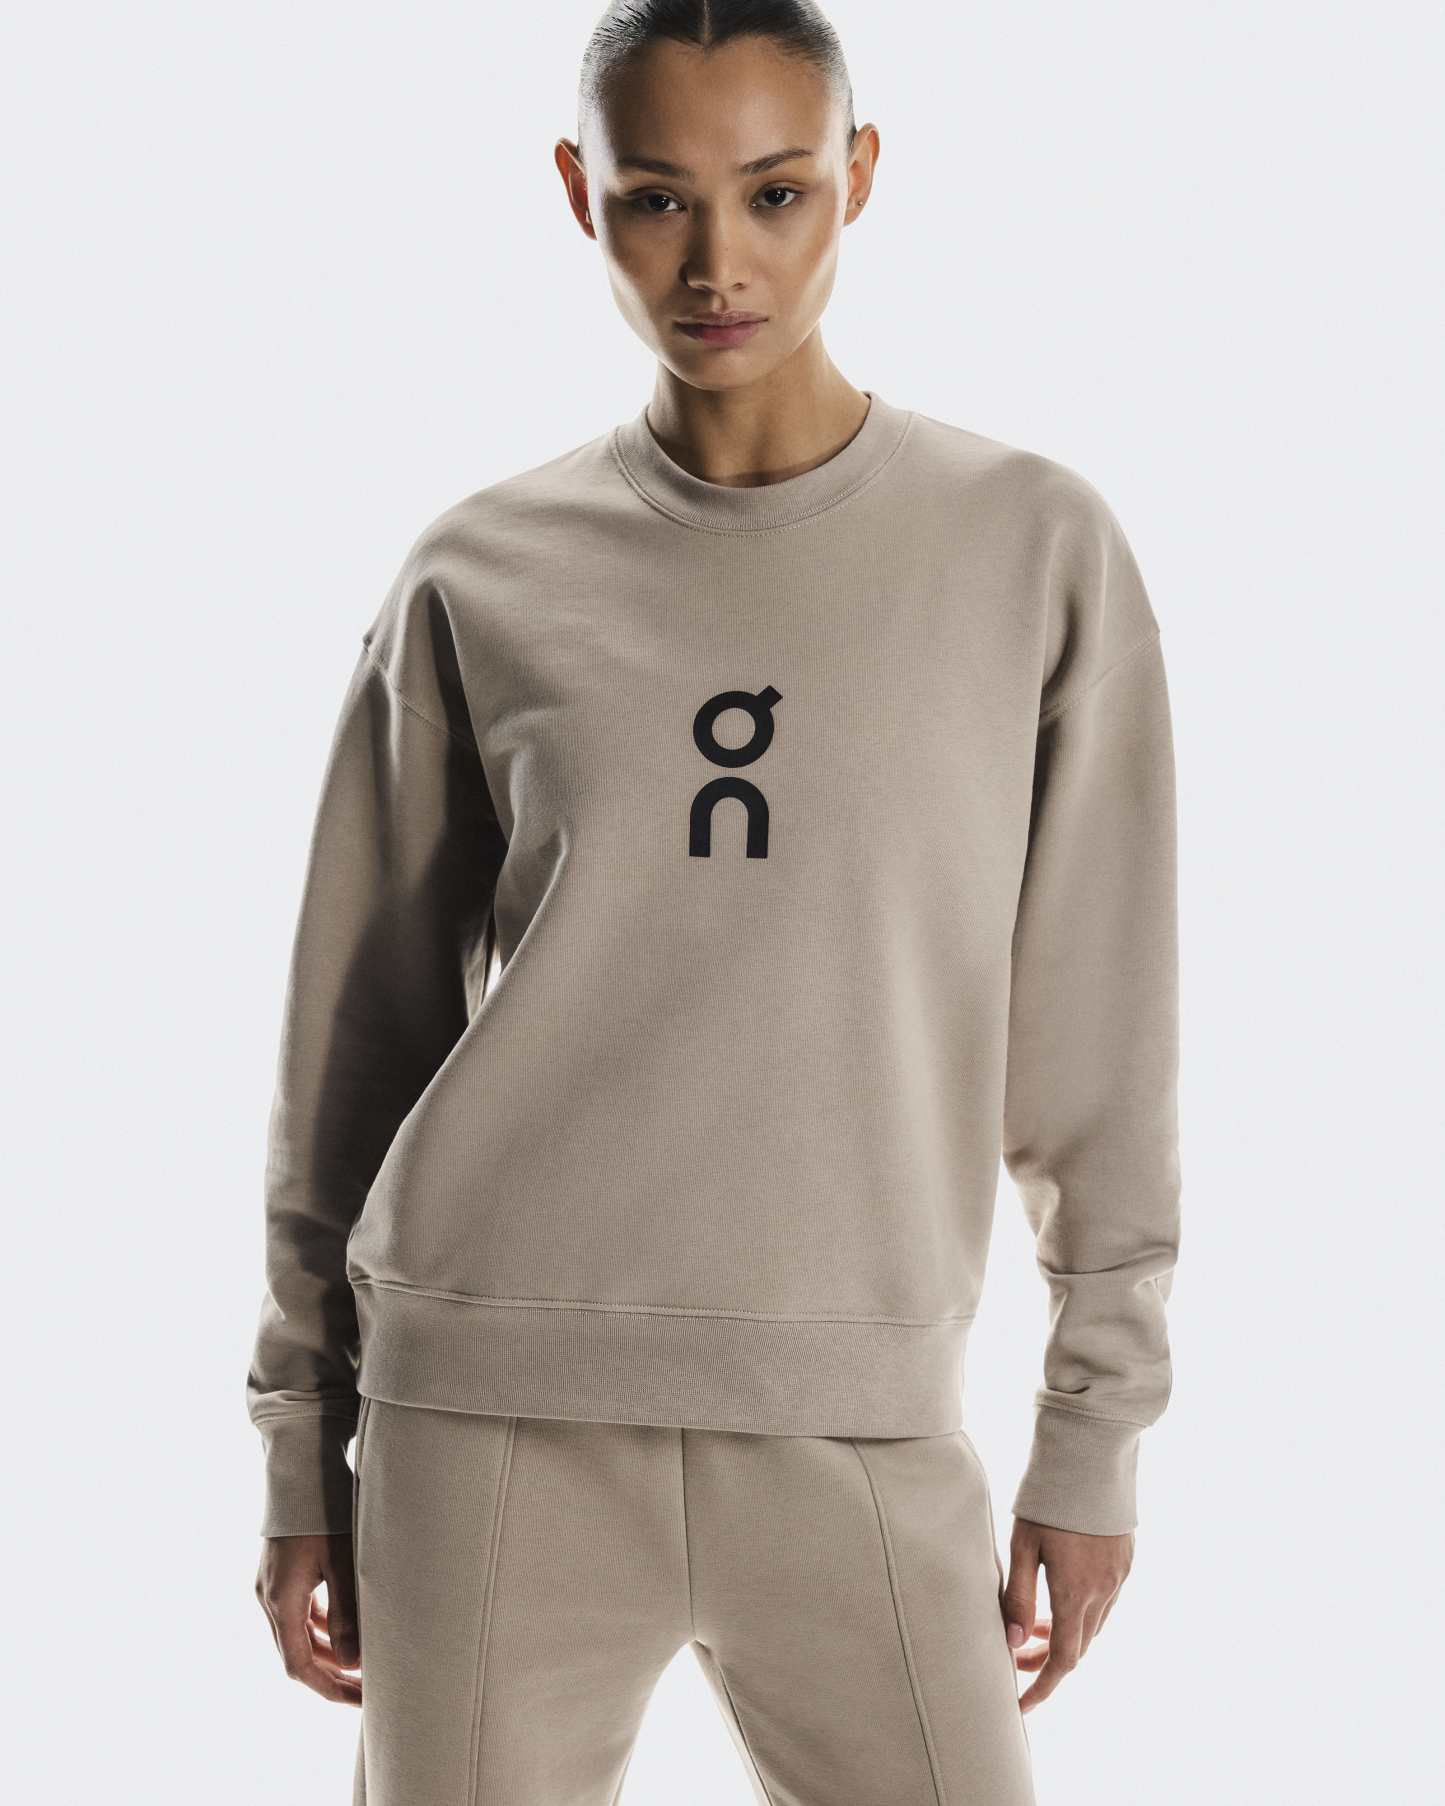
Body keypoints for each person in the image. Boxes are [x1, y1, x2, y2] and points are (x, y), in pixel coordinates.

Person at [248, 3, 1181, 1801]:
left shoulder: (1031, 547)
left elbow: (1098, 1032)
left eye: (774, 191)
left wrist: (1094, 1429)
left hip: (860, 1419)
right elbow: (352, 1048)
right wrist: (304, 1439)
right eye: (657, 198)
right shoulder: (477, 573)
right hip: (484, 1409)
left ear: (860, 177)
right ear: (576, 194)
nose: (718, 263)